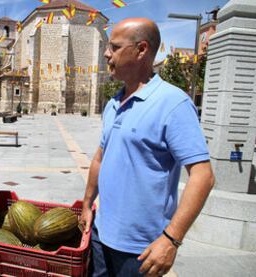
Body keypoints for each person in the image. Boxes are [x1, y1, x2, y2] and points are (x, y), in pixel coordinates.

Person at [81, 18, 215, 277]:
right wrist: (87, 204)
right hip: (100, 236)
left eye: (115, 47)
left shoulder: (173, 103)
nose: (107, 53)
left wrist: (171, 239)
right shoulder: (113, 102)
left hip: (141, 251)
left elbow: (203, 176)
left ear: (141, 50)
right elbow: (100, 157)